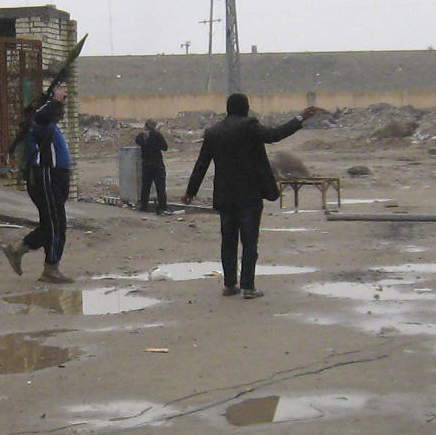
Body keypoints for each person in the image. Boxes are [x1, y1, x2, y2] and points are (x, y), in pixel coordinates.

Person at [182, 93, 321, 299]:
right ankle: (248, 287)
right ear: (245, 108)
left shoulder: (213, 132)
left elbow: (201, 164)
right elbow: (274, 135)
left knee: (228, 241)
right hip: (249, 195)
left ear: (228, 109)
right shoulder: (250, 126)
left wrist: (190, 192)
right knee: (249, 242)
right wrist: (299, 119)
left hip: (225, 195)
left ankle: (230, 285)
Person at [2, 82, 73, 283]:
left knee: (50, 224)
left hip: (54, 177)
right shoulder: (39, 122)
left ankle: (17, 249)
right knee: (56, 225)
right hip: (46, 176)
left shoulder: (48, 126)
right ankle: (51, 269)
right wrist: (55, 99)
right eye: (59, 108)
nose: (62, 111)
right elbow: (43, 114)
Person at [135, 118, 168, 214]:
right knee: (160, 188)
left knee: (145, 188)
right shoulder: (157, 135)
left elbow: (137, 141)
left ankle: (144, 207)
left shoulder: (141, 136)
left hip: (146, 165)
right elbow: (165, 147)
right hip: (157, 165)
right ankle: (163, 208)